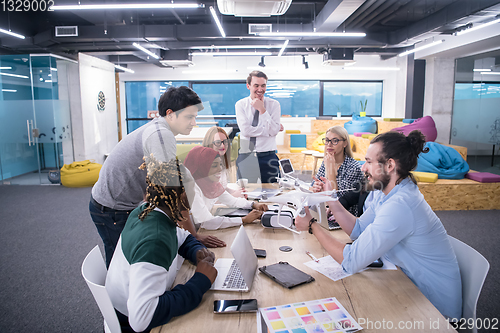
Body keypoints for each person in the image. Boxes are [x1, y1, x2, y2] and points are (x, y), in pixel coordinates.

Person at [296, 130, 462, 320]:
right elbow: (359, 230)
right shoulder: (386, 191)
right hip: (407, 284)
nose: (363, 168)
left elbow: (351, 262)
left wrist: (312, 225)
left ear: (390, 165)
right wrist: (332, 199)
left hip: (435, 310)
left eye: (368, 161)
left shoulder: (401, 204)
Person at [90, 86, 224, 268]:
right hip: (111, 207)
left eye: (195, 117)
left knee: (130, 260)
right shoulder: (160, 135)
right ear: (170, 114)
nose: (194, 123)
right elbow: (172, 191)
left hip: (117, 202)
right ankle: (118, 297)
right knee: (122, 265)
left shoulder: (160, 130)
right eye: (189, 117)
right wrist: (193, 236)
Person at [105, 157, 217, 333]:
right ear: (183, 196)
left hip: (128, 304)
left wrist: (197, 251)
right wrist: (200, 281)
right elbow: (142, 318)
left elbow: (183, 237)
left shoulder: (149, 210)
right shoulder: (154, 240)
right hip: (131, 323)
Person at [183, 146, 267, 230]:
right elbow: (207, 222)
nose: (220, 169)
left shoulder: (211, 184)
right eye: (214, 166)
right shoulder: (192, 188)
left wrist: (254, 204)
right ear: (201, 167)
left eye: (220, 164)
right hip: (191, 236)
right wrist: (244, 220)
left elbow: (233, 201)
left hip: (200, 232)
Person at [235, 70, 284, 183]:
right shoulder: (240, 105)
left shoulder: (274, 104)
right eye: (256, 85)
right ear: (248, 86)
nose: (260, 89)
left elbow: (274, 131)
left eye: (263, 85)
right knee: (246, 193)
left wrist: (262, 110)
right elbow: (246, 131)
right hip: (247, 156)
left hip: (269, 156)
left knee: (273, 192)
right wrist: (269, 130)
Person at [311, 126, 364, 216]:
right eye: (327, 140)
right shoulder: (326, 162)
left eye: (335, 141)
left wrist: (331, 172)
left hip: (345, 217)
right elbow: (312, 187)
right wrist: (315, 188)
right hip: (326, 211)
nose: (329, 144)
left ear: (345, 143)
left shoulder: (353, 167)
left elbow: (338, 201)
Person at [202, 126, 246, 198]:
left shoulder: (222, 161)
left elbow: (220, 188)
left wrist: (236, 192)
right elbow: (208, 200)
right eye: (218, 142)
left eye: (225, 142)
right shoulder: (206, 168)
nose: (222, 145)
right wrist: (233, 196)